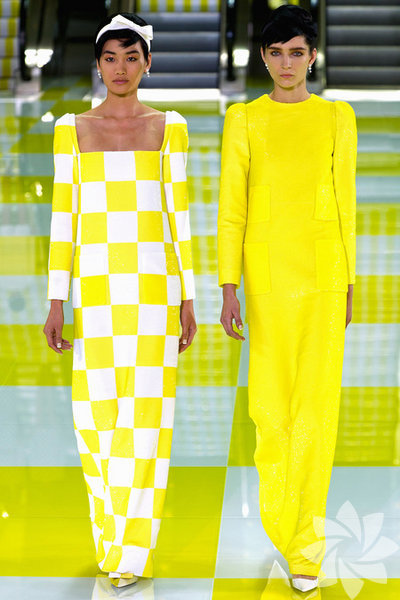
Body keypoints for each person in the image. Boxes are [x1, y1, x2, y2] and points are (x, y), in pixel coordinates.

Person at [43, 12, 197, 589]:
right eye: (111, 58)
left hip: (155, 292)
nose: (121, 69)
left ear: (147, 63)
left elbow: (179, 217)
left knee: (148, 422)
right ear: (98, 65)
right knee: (96, 418)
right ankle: (108, 538)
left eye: (132, 58)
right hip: (97, 292)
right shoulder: (72, 130)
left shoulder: (169, 128)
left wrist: (188, 296)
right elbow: (64, 220)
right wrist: (56, 299)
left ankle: (133, 552)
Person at [218, 5, 357, 593]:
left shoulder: (337, 117)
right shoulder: (244, 119)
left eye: (296, 52)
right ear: (263, 57)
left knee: (316, 411)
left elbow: (346, 202)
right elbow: (232, 208)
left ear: (312, 56)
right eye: (275, 53)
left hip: (323, 275)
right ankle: (281, 521)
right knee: (270, 411)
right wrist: (228, 285)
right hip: (266, 279)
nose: (286, 63)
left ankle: (307, 546)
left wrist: (349, 283)